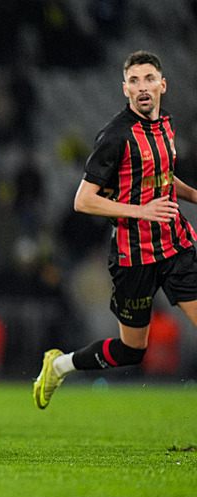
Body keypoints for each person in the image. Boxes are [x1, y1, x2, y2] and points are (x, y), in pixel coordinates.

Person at [34, 50, 197, 409]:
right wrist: (142, 211)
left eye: (149, 79)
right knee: (131, 351)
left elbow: (164, 177)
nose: (142, 86)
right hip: (133, 255)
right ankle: (59, 365)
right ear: (125, 89)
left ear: (162, 85)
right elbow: (83, 200)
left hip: (176, 245)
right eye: (134, 80)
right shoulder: (115, 136)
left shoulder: (166, 125)